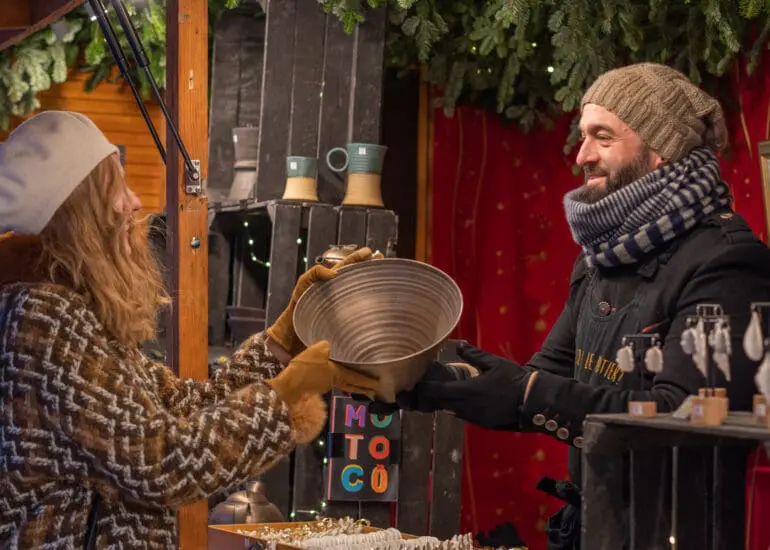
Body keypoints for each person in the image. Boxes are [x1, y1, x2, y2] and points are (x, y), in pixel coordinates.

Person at [376, 63, 770, 548]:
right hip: (598, 528)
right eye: (582, 137)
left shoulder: (726, 262)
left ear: (661, 150)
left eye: (602, 137)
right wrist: (421, 379)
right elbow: (545, 377)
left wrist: (527, 393)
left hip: (681, 533)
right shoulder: (602, 259)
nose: (582, 155)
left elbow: (683, 417)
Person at [0, 110, 380, 549]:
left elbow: (182, 408)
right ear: (74, 210)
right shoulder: (46, 317)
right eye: (115, 187)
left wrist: (284, 338)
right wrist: (288, 391)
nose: (134, 202)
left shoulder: (63, 312)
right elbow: (159, 461)